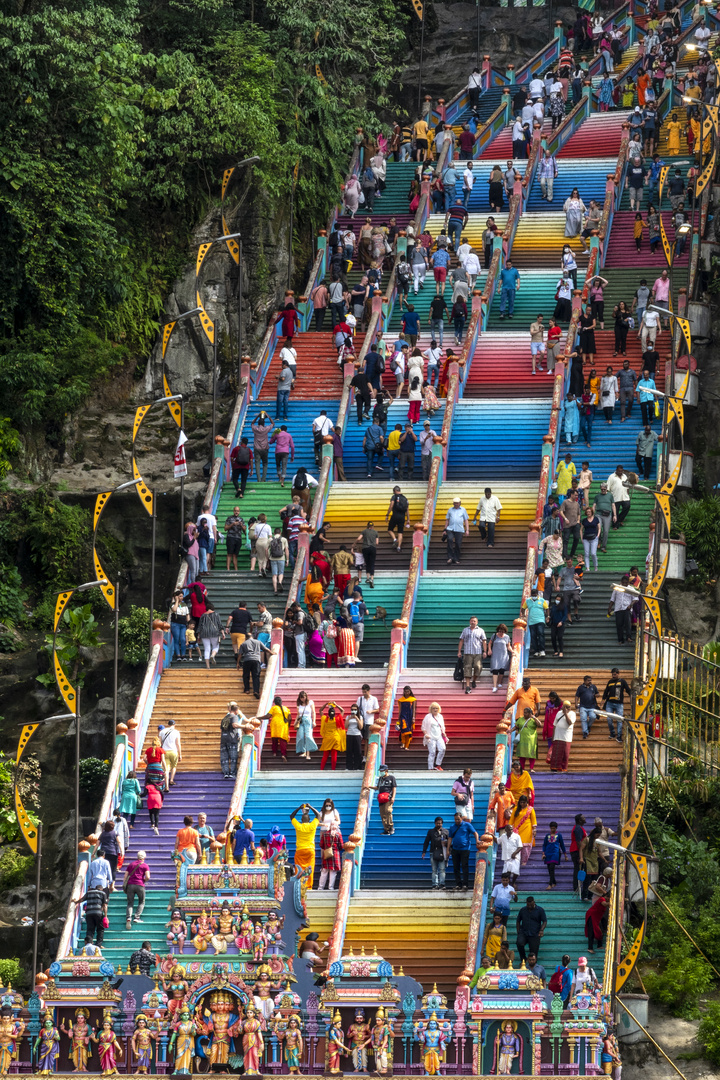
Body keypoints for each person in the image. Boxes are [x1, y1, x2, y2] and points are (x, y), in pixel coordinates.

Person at [289, 803, 320, 891]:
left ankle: (298, 885)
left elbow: (291, 816)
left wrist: (299, 808)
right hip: (310, 850)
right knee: (310, 868)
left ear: (301, 820)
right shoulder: (312, 825)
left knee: (298, 868)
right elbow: (318, 815)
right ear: (310, 819)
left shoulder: (298, 826)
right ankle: (308, 887)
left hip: (300, 850)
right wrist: (310, 807)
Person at [448, 812, 478, 891]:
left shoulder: (467, 825)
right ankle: (458, 884)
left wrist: (477, 840)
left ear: (461, 818)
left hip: (465, 849)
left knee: (465, 866)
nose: (457, 821)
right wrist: (448, 849)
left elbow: (475, 833)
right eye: (455, 819)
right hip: (455, 849)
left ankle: (465, 885)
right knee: (456, 867)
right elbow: (450, 838)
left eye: (458, 819)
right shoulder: (452, 827)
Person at [458, 615, 487, 694]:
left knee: (478, 667)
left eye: (474, 621)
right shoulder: (465, 630)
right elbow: (461, 641)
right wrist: (459, 651)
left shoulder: (481, 630)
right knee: (467, 668)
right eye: (472, 621)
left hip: (478, 653)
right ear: (469, 622)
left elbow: (484, 641)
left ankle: (474, 680)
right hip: (467, 653)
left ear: (477, 622)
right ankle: (467, 686)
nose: (473, 622)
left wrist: (485, 651)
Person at [603, 668, 631, 742]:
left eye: (615, 674)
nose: (613, 676)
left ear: (618, 674)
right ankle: (612, 733)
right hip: (610, 703)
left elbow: (628, 690)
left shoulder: (622, 681)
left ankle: (619, 736)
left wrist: (632, 696)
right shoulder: (610, 682)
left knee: (619, 720)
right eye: (612, 674)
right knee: (609, 719)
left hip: (619, 704)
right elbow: (606, 692)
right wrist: (603, 701)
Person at [516, 896, 547, 963]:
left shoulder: (540, 910)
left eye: (531, 904)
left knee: (533, 952)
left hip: (535, 933)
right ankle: (523, 959)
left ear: (534, 902)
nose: (529, 906)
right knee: (519, 943)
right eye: (528, 904)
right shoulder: (523, 910)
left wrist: (541, 930)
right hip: (524, 932)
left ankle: (532, 965)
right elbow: (518, 921)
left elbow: (544, 921)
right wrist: (518, 932)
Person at [422, 817, 450, 889]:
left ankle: (442, 884)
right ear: (435, 823)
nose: (439, 824)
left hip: (442, 853)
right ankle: (435, 884)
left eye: (440, 823)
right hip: (433, 852)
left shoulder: (446, 831)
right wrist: (424, 852)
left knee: (442, 869)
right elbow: (426, 842)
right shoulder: (431, 832)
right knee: (434, 870)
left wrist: (448, 850)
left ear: (442, 823)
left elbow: (450, 843)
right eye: (437, 823)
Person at [370, 763, 397, 834]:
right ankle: (386, 829)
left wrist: (393, 797)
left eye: (382, 771)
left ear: (386, 770)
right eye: (380, 771)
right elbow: (378, 787)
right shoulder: (381, 778)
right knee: (382, 814)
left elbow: (394, 788)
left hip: (388, 797)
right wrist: (369, 787)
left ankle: (391, 827)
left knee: (388, 811)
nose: (381, 772)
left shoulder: (391, 778)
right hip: (381, 798)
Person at [550, 701, 576, 772]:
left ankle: (563, 769)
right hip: (557, 737)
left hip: (566, 738)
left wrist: (565, 713)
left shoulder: (572, 714)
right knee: (556, 755)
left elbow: (569, 722)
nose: (568, 708)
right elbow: (554, 725)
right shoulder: (558, 713)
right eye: (566, 707)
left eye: (569, 707)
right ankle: (554, 769)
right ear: (563, 707)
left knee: (565, 755)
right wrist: (553, 737)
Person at [523, 587, 549, 658]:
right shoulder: (528, 601)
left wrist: (548, 616)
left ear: (537, 594)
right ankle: (536, 651)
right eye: (533, 595)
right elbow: (523, 608)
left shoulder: (542, 600)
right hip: (532, 622)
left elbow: (547, 608)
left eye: (535, 595)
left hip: (540, 620)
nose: (534, 596)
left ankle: (542, 650)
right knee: (533, 636)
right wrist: (524, 616)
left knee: (541, 634)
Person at [422, 701, 447, 771]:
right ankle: (430, 767)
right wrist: (425, 734)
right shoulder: (427, 717)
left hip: (439, 736)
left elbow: (442, 726)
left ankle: (438, 765)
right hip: (431, 737)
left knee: (443, 749)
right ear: (431, 709)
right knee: (432, 752)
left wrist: (444, 732)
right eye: (433, 708)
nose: (435, 710)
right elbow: (423, 727)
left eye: (436, 708)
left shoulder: (440, 716)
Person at [445, 494, 470, 566]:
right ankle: (450, 557)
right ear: (453, 503)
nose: (456, 504)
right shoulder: (450, 510)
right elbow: (447, 520)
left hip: (459, 529)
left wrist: (467, 530)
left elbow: (466, 520)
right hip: (450, 528)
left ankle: (456, 558)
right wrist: (445, 529)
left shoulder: (463, 510)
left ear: (460, 503)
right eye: (455, 503)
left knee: (458, 544)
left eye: (457, 503)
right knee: (449, 539)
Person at [496, 823, 523, 887]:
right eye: (509, 829)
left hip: (515, 857)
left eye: (511, 829)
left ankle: (513, 883)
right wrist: (491, 835)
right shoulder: (503, 836)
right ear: (506, 830)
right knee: (507, 872)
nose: (511, 831)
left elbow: (520, 846)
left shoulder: (517, 836)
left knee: (515, 871)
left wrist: (514, 853)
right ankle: (508, 884)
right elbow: (497, 841)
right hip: (506, 857)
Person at [542, 822, 567, 890]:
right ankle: (554, 882)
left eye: (554, 828)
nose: (553, 829)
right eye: (551, 828)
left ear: (556, 828)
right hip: (548, 853)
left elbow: (562, 845)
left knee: (552, 867)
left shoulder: (559, 835)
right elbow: (544, 845)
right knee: (549, 869)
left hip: (555, 853)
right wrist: (543, 854)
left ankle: (550, 884)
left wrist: (565, 854)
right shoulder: (547, 835)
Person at [575, 675, 600, 739]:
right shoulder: (580, 687)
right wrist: (576, 703)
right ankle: (585, 732)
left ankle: (588, 726)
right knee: (583, 719)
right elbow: (577, 696)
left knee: (593, 717)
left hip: (592, 706)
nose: (590, 682)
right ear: (584, 681)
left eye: (590, 680)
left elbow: (598, 694)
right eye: (588, 680)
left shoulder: (593, 687)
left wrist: (597, 695)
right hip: (583, 706)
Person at [488, 624, 511, 692]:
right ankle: (495, 686)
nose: (501, 633)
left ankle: (500, 682)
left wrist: (512, 651)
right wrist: (489, 650)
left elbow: (508, 646)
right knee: (495, 669)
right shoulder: (494, 636)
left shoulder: (507, 637)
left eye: (503, 632)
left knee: (502, 669)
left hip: (504, 655)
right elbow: (489, 643)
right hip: (495, 655)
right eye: (500, 631)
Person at [607, 465, 631, 530]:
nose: (620, 472)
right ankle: (615, 525)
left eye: (621, 471)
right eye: (619, 471)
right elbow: (608, 488)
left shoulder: (625, 476)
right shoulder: (611, 477)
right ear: (616, 470)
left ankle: (619, 520)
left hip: (625, 496)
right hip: (615, 497)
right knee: (615, 511)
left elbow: (628, 486)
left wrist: (628, 494)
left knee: (627, 506)